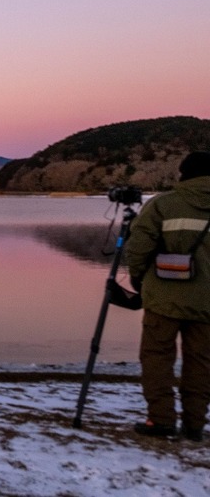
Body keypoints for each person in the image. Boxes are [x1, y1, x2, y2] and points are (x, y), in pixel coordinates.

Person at [126, 151, 210, 441]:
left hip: (164, 296)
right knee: (201, 362)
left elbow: (138, 248)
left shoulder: (163, 204)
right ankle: (194, 425)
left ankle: (161, 420)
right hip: (207, 303)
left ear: (184, 174)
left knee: (157, 358)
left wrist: (138, 280)